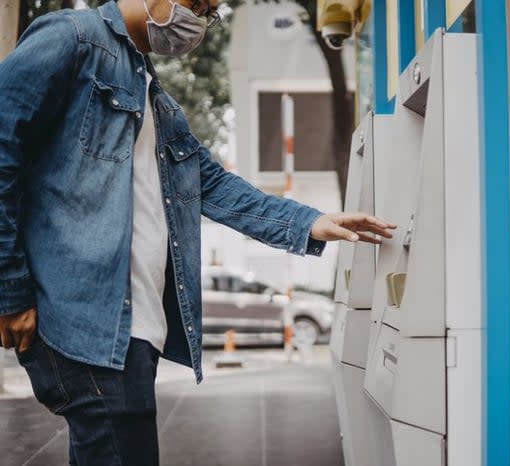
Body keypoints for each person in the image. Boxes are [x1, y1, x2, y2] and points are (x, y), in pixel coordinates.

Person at [0, 0, 395, 463]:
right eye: (196, 3)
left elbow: (212, 184)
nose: (200, 20)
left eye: (209, 11)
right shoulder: (71, 38)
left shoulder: (153, 95)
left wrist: (310, 222)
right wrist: (9, 291)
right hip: (84, 320)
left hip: (133, 327)